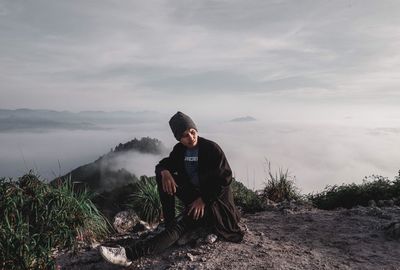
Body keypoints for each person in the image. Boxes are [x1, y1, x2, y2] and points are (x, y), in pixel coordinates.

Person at [99, 111, 244, 266]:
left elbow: (225, 180)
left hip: (214, 204)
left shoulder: (211, 149)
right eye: (185, 135)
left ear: (196, 130)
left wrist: (203, 200)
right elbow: (163, 164)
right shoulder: (180, 150)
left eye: (192, 132)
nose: (191, 137)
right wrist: (165, 171)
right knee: (164, 177)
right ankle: (169, 223)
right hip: (196, 196)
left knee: (180, 227)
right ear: (178, 138)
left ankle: (128, 255)